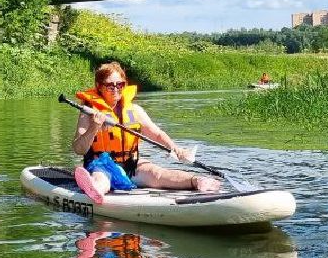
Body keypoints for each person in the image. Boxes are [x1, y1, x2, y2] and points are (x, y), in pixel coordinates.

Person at [72, 61, 220, 201]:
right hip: (101, 164)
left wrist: (175, 147)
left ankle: (197, 181)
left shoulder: (134, 110)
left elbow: (156, 134)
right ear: (99, 86)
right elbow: (79, 149)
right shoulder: (89, 114)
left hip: (130, 164)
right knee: (102, 178)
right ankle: (95, 189)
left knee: (157, 173)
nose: (116, 89)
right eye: (110, 85)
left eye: (120, 85)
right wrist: (94, 127)